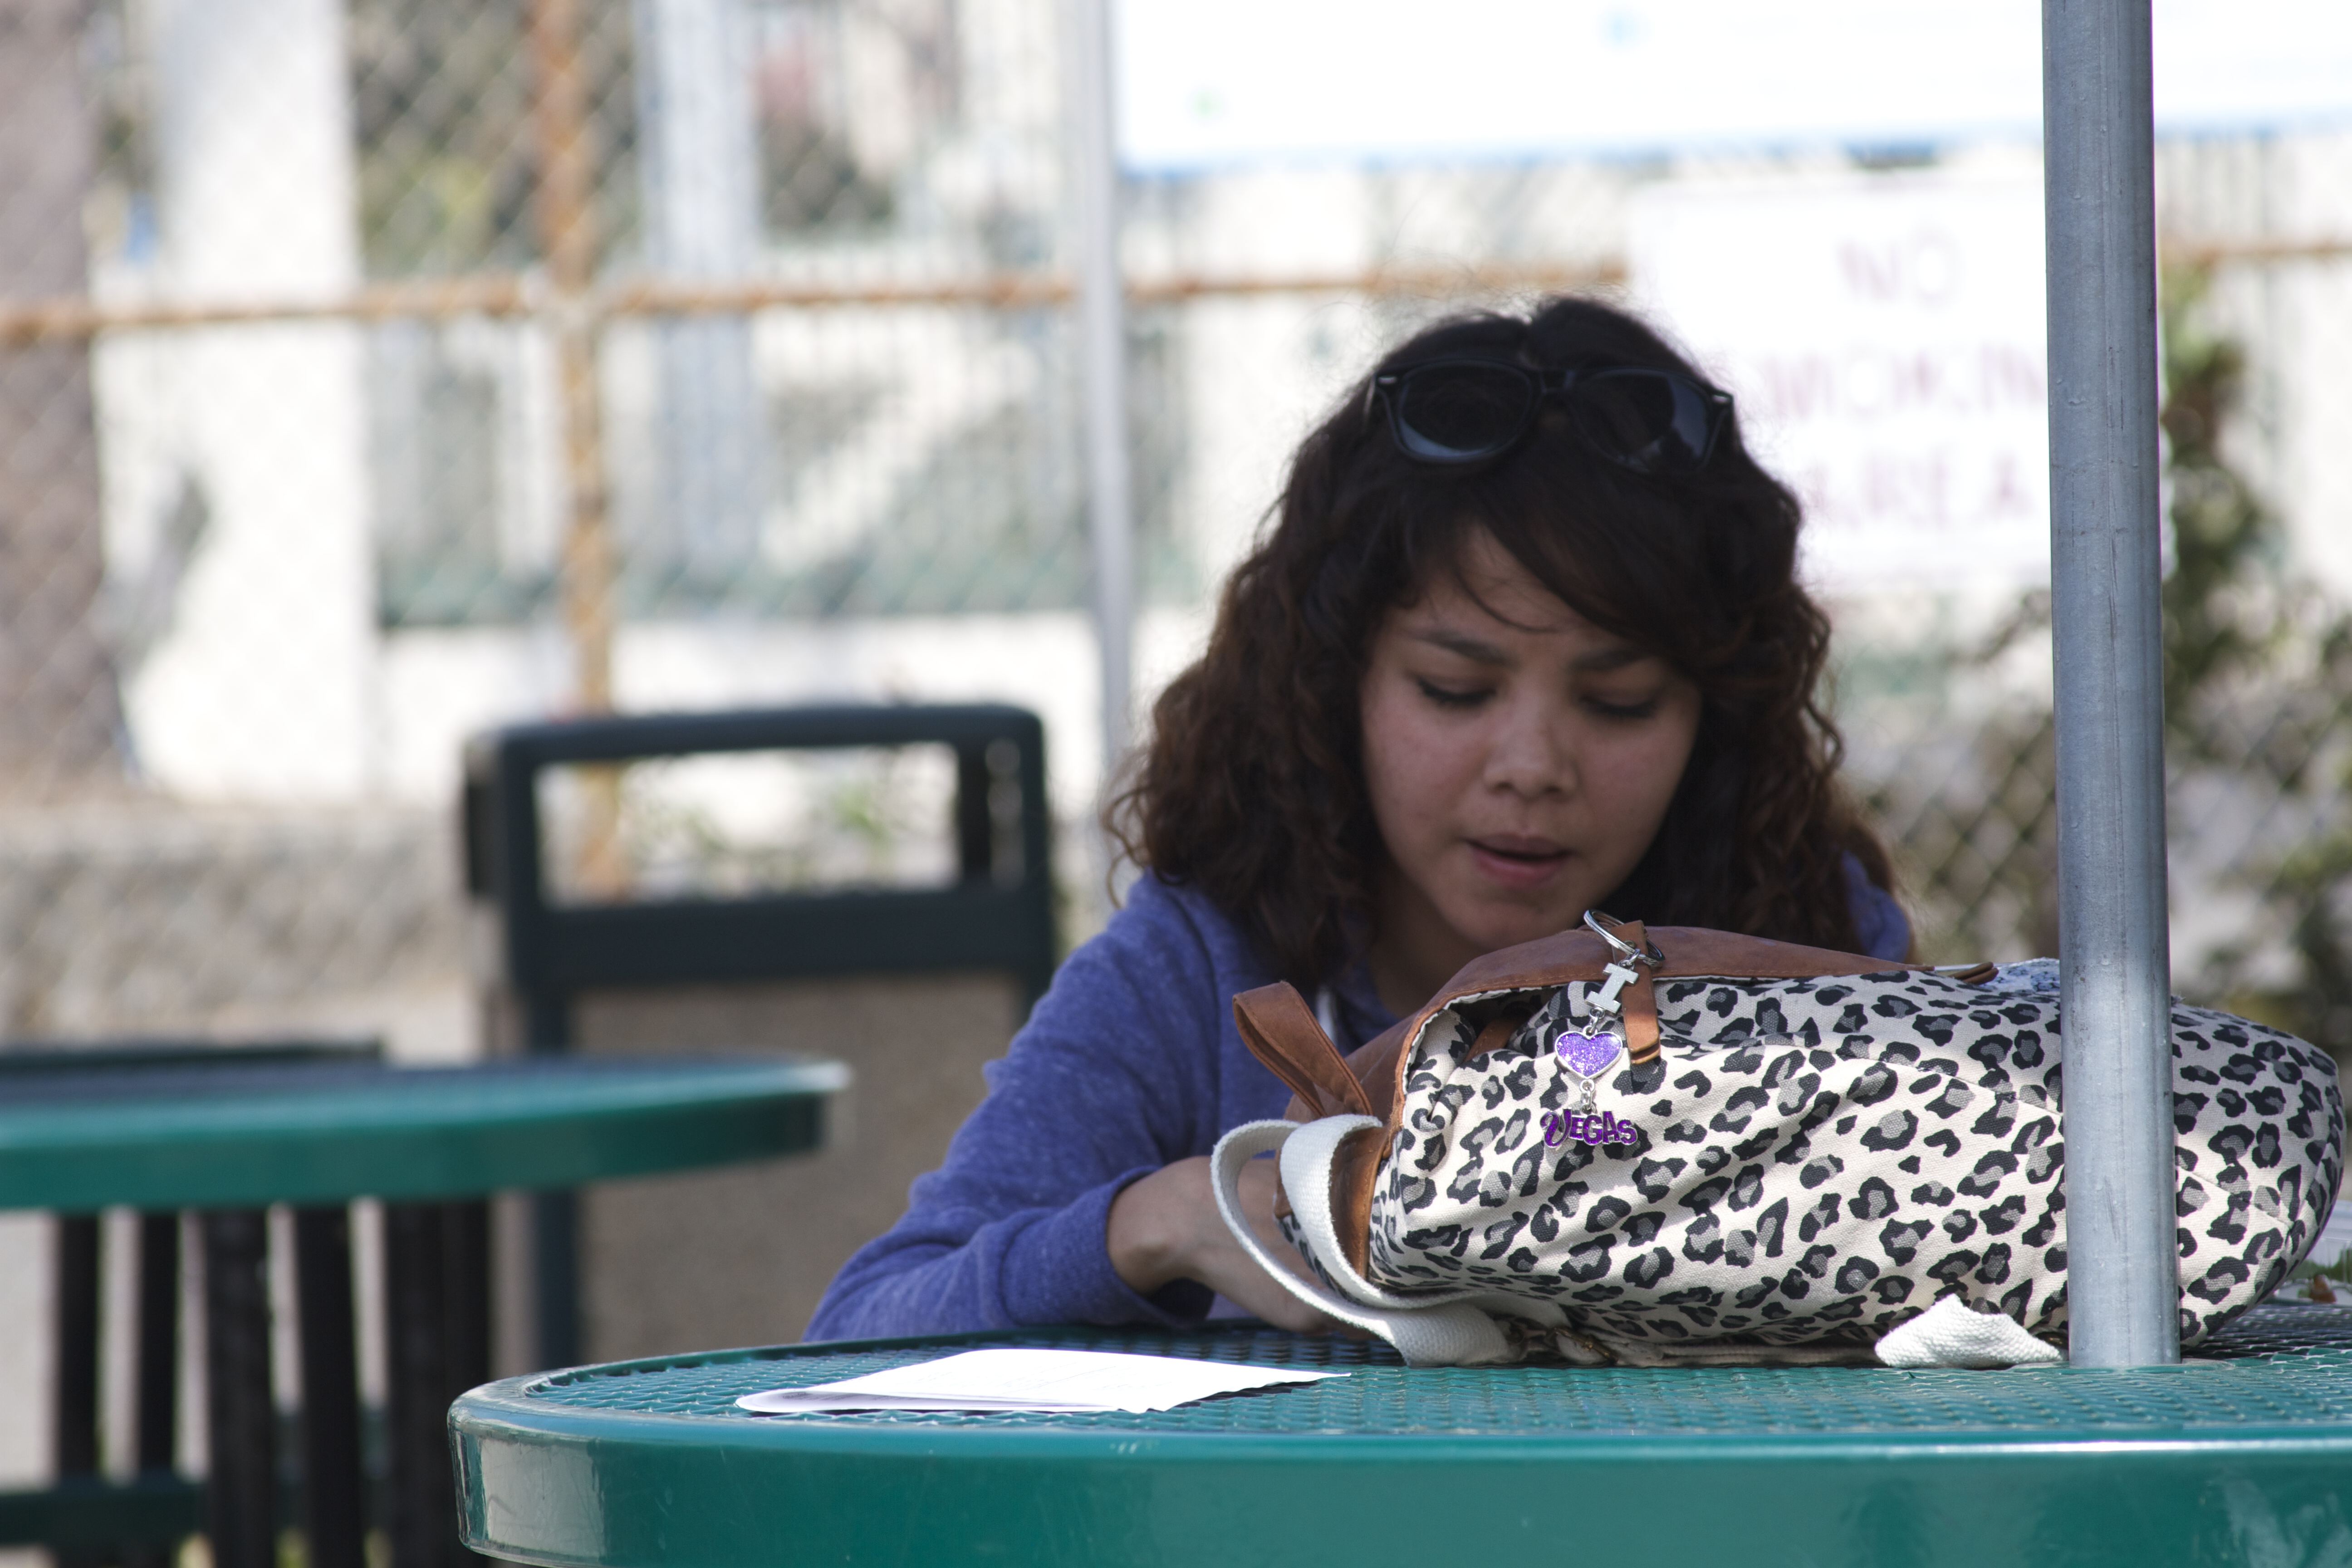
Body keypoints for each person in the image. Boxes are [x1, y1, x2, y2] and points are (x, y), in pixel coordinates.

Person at [807, 295, 1908, 1341]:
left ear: (1716, 722)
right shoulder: (1201, 974)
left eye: (1619, 702)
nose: (1532, 768)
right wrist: (1166, 1220)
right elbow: (857, 1340)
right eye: (1454, 690)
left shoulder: (1805, 945)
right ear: (1336, 685)